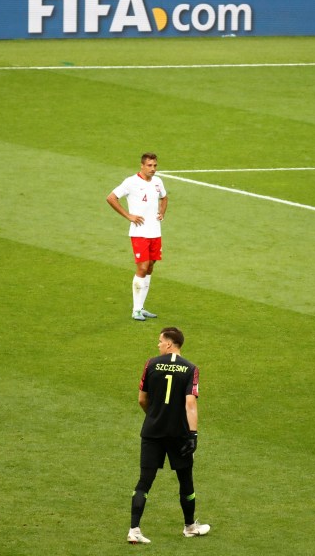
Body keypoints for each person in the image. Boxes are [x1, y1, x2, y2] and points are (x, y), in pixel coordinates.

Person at [127, 327, 210, 544]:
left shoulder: (151, 364)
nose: (158, 345)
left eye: (160, 341)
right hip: (179, 435)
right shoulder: (191, 368)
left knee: (145, 481)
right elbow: (190, 403)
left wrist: (154, 416)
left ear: (170, 344)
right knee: (185, 481)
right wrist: (193, 434)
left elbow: (141, 399)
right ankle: (190, 526)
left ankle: (134, 529)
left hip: (152, 432)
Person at [106, 153, 168, 322]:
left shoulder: (158, 181)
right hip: (139, 233)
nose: (153, 169)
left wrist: (162, 212)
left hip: (155, 232)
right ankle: (135, 310)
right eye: (149, 165)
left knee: (150, 267)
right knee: (142, 267)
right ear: (142, 166)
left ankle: (141, 307)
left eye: (155, 165)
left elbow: (164, 197)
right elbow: (111, 198)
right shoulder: (131, 182)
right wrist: (129, 216)